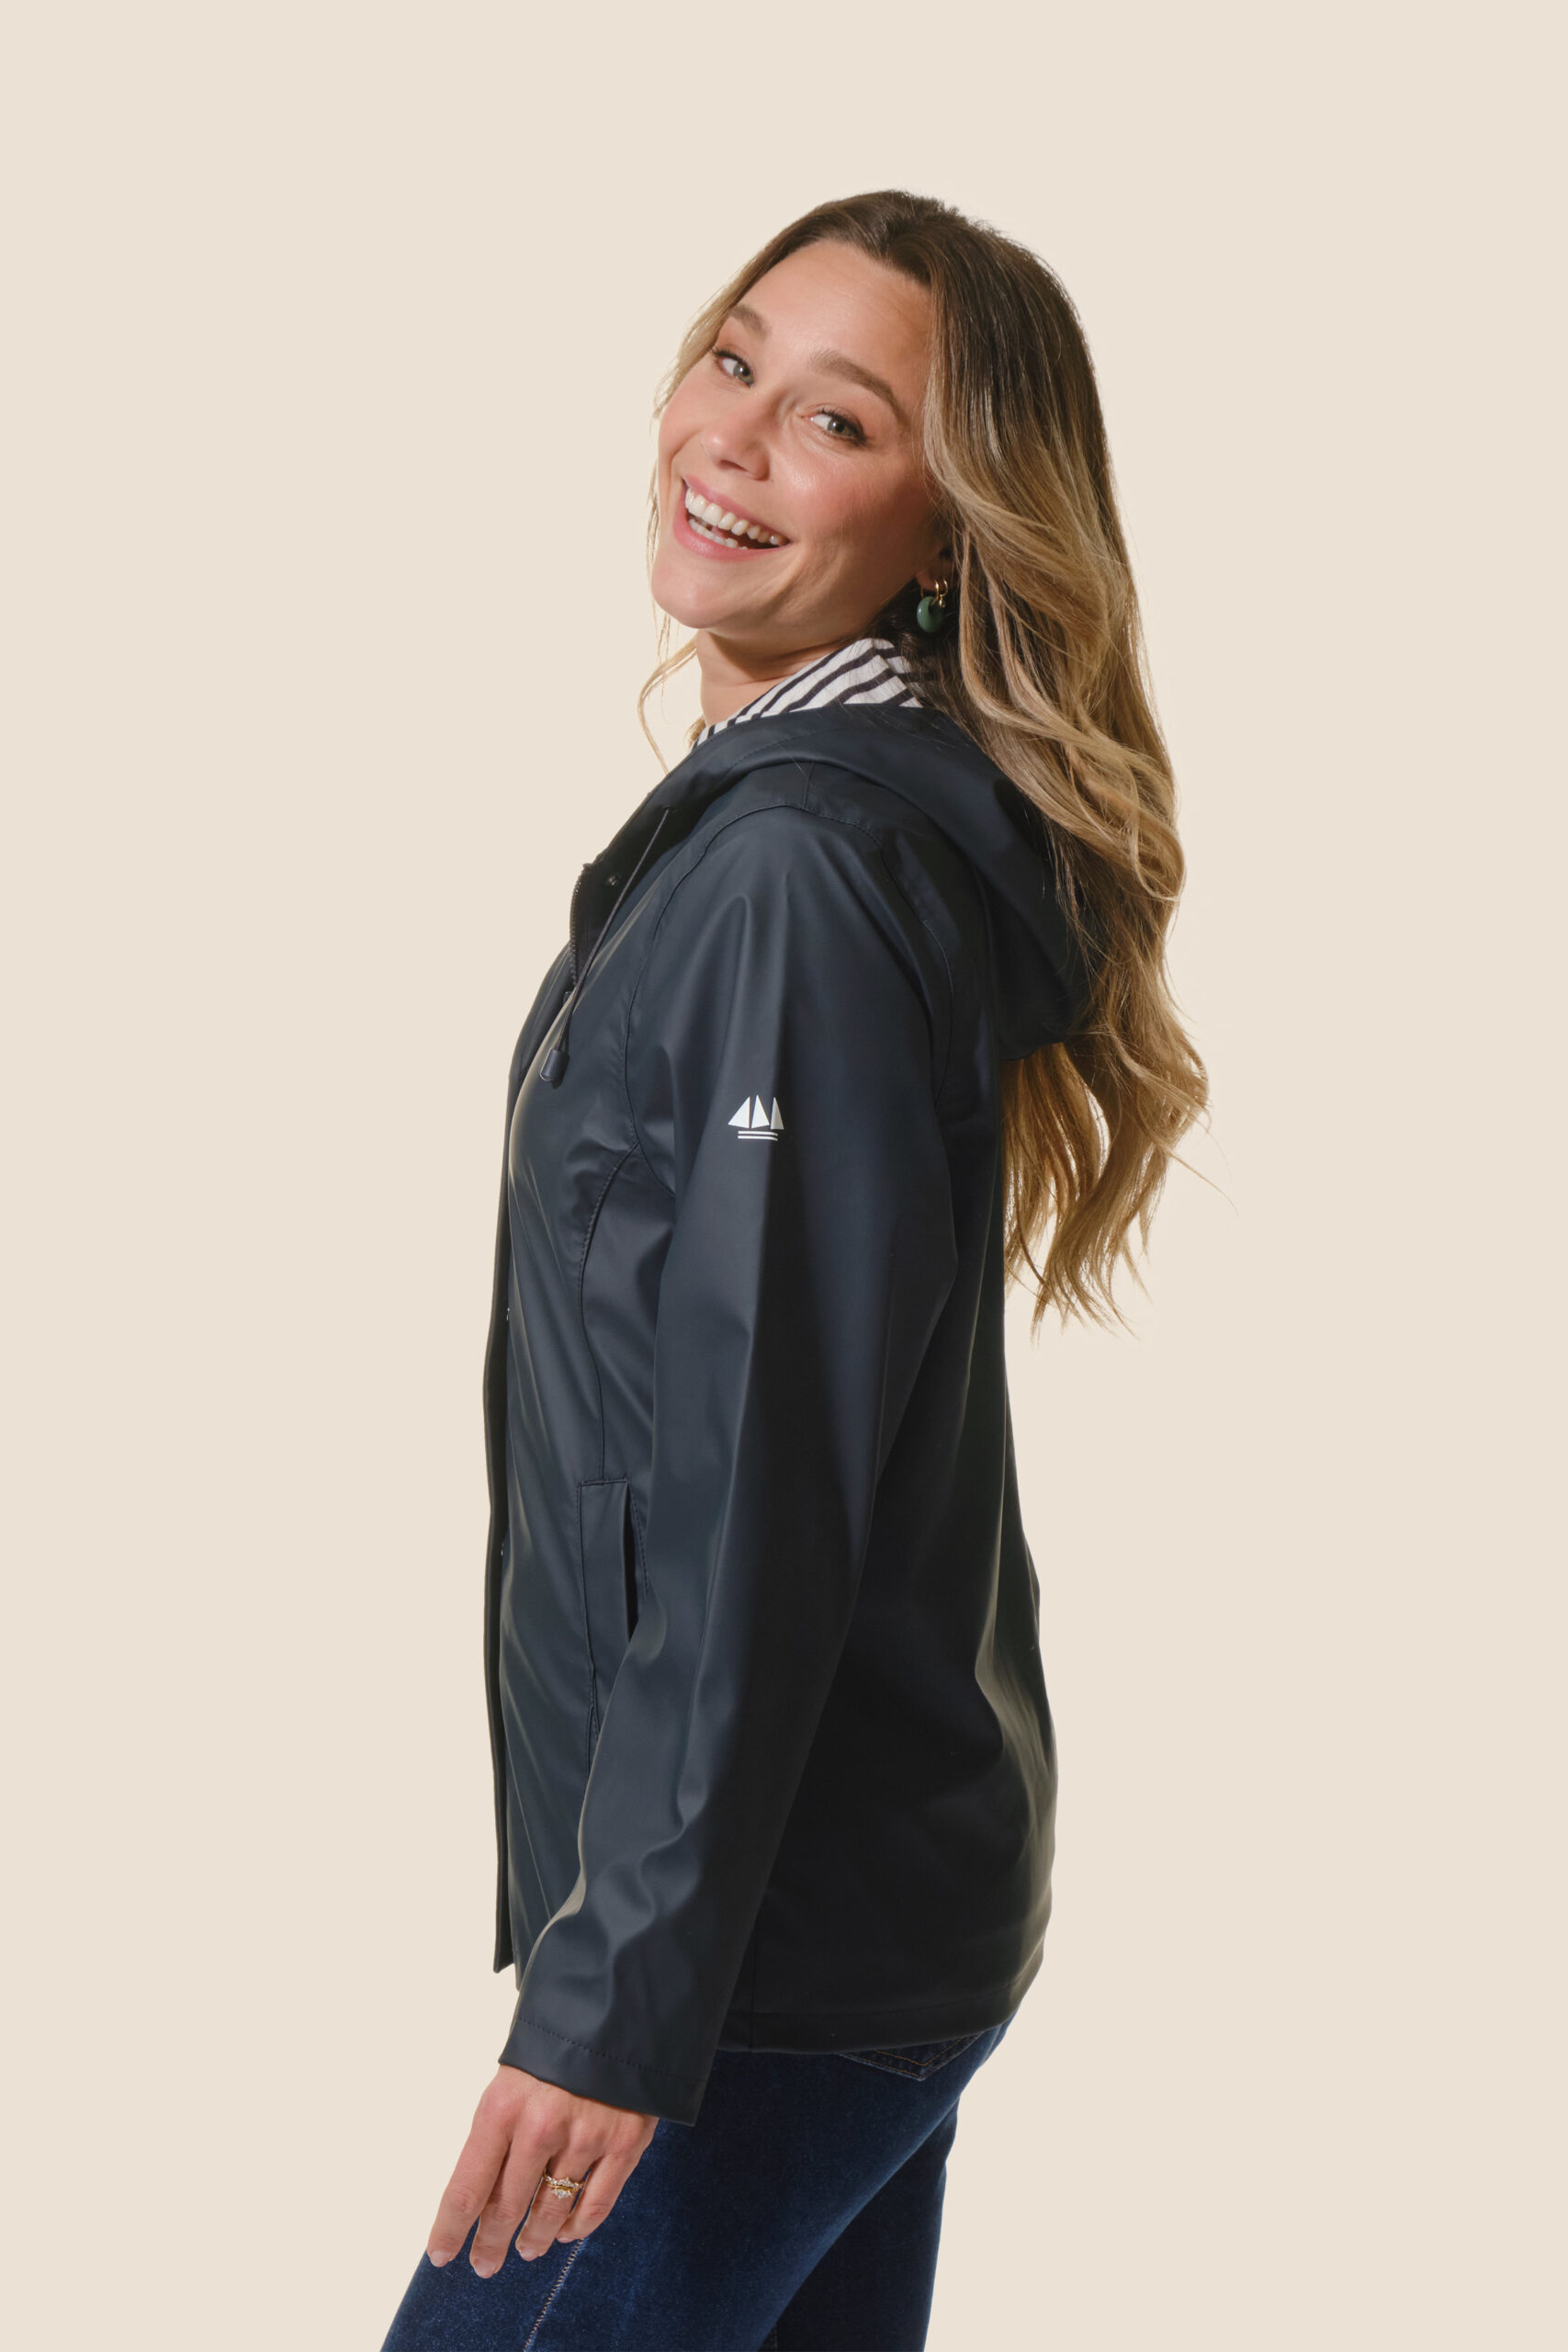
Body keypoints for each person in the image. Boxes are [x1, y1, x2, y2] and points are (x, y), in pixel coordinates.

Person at [380, 188, 1206, 2352]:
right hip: (847, 1915)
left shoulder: (795, 874)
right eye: (732, 358)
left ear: (944, 534)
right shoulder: (803, 824)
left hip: (761, 1953)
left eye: (834, 419)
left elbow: (755, 1481)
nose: (731, 437)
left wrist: (618, 1998)